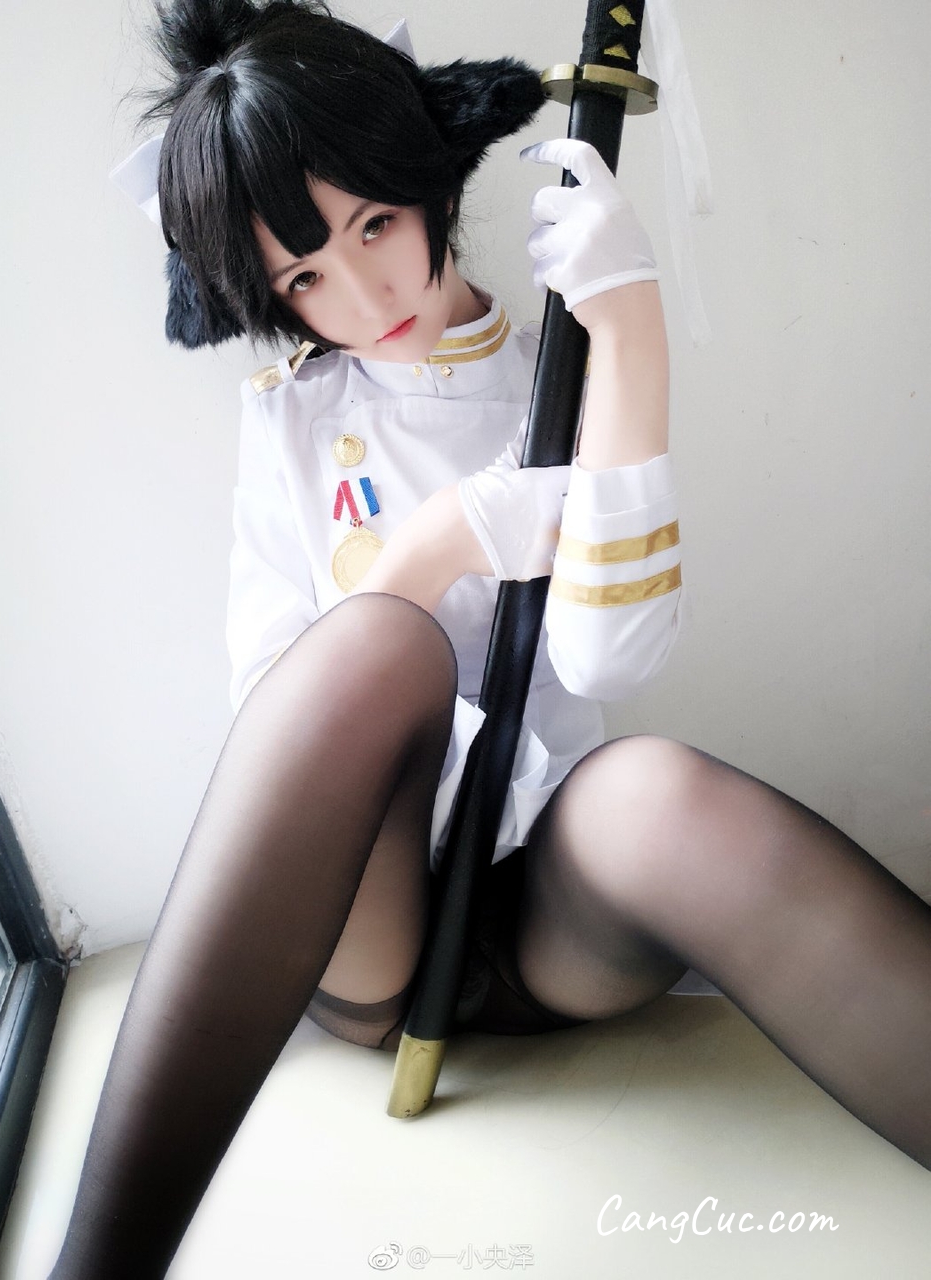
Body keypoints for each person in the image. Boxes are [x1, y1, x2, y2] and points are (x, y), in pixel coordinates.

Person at [50, 0, 931, 1274]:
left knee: (654, 789)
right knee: (375, 650)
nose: (366, 294)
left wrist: (629, 328)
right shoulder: (289, 420)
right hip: (367, 935)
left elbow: (611, 662)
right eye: (304, 276)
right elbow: (280, 731)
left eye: (375, 223)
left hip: (551, 930)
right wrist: (440, 545)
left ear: (426, 178)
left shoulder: (552, 378)